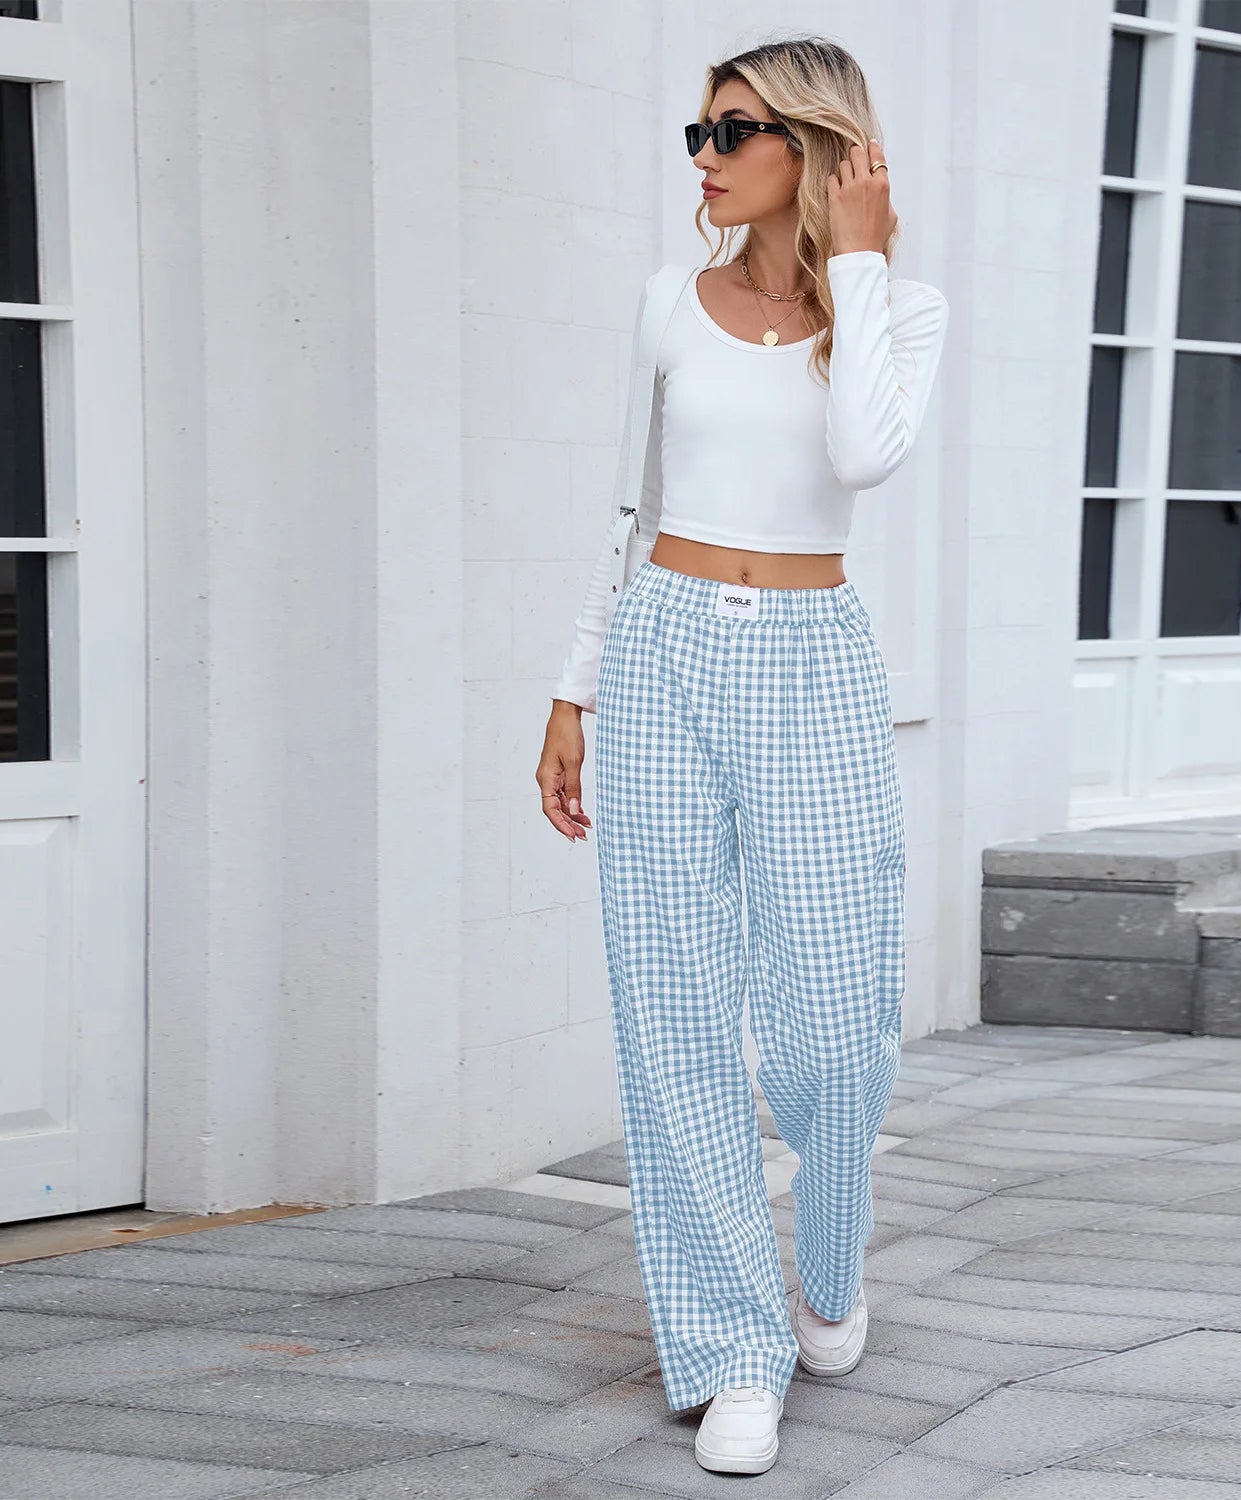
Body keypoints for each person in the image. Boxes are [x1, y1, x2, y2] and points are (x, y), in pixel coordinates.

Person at [534, 36, 949, 1478]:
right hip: (662, 651)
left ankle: (829, 1257)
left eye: (733, 131)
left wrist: (864, 265)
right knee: (674, 1013)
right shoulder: (668, 301)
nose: (704, 159)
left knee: (835, 1022)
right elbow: (632, 504)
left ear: (814, 147)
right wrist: (574, 687)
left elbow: (863, 456)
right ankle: (729, 1350)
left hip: (814, 659)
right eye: (698, 133)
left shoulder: (902, 310)